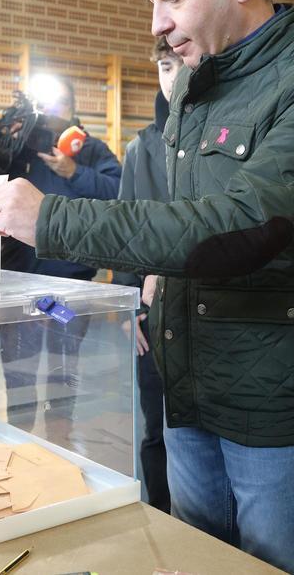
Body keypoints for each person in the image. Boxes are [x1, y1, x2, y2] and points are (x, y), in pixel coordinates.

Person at [0, 0, 294, 572]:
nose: (158, 22)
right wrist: (143, 288)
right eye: (152, 0)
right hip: (185, 382)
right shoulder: (197, 87)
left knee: (269, 563)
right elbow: (163, 212)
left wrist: (51, 219)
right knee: (196, 556)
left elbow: (239, 227)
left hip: (269, 398)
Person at [0, 74, 123, 444]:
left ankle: (58, 441)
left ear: (74, 109)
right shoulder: (19, 149)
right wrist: (5, 141)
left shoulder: (91, 149)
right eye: (46, 104)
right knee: (17, 368)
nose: (53, 111)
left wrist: (74, 172)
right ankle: (17, 441)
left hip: (70, 288)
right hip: (19, 284)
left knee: (64, 369)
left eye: (61, 103)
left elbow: (120, 192)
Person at [111, 36, 180, 513]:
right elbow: (126, 232)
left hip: (208, 314)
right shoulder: (141, 147)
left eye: (180, 63)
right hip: (150, 317)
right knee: (154, 429)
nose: (172, 76)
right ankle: (161, 517)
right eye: (164, 65)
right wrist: (129, 304)